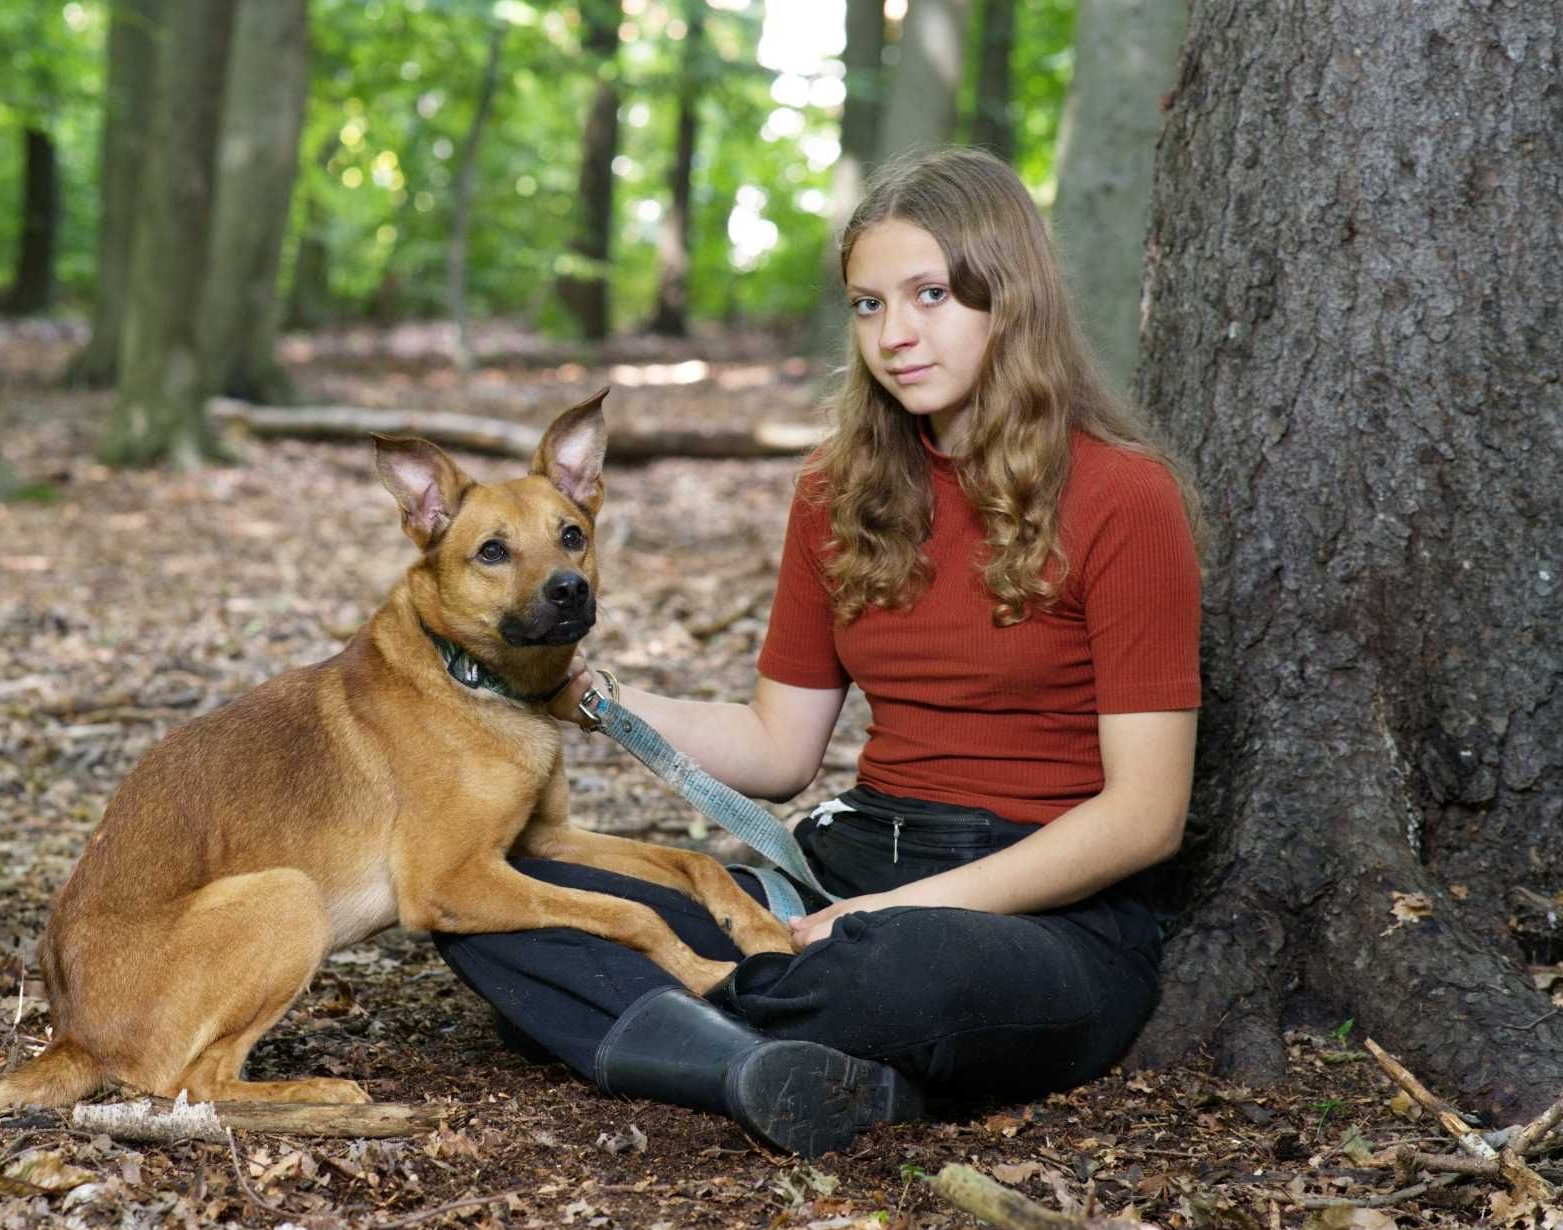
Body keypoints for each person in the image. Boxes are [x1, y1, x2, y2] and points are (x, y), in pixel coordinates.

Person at [435, 146, 1204, 1158]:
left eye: (929, 295)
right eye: (866, 304)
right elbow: (775, 746)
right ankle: (769, 1068)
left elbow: (1143, 819)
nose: (894, 334)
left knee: (883, 974)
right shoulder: (834, 490)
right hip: (840, 870)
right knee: (493, 904)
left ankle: (671, 1033)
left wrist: (885, 912)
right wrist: (594, 698)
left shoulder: (1124, 497)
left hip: (1039, 918)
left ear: (1006, 296)